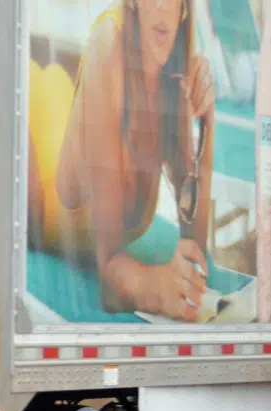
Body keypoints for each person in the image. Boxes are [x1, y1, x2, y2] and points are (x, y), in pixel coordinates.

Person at [29, 0, 215, 322]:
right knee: (23, 205)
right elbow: (111, 284)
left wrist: (206, 120)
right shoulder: (109, 40)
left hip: (66, 110)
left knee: (63, 85)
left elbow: (194, 247)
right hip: (35, 114)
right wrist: (156, 287)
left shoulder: (173, 72)